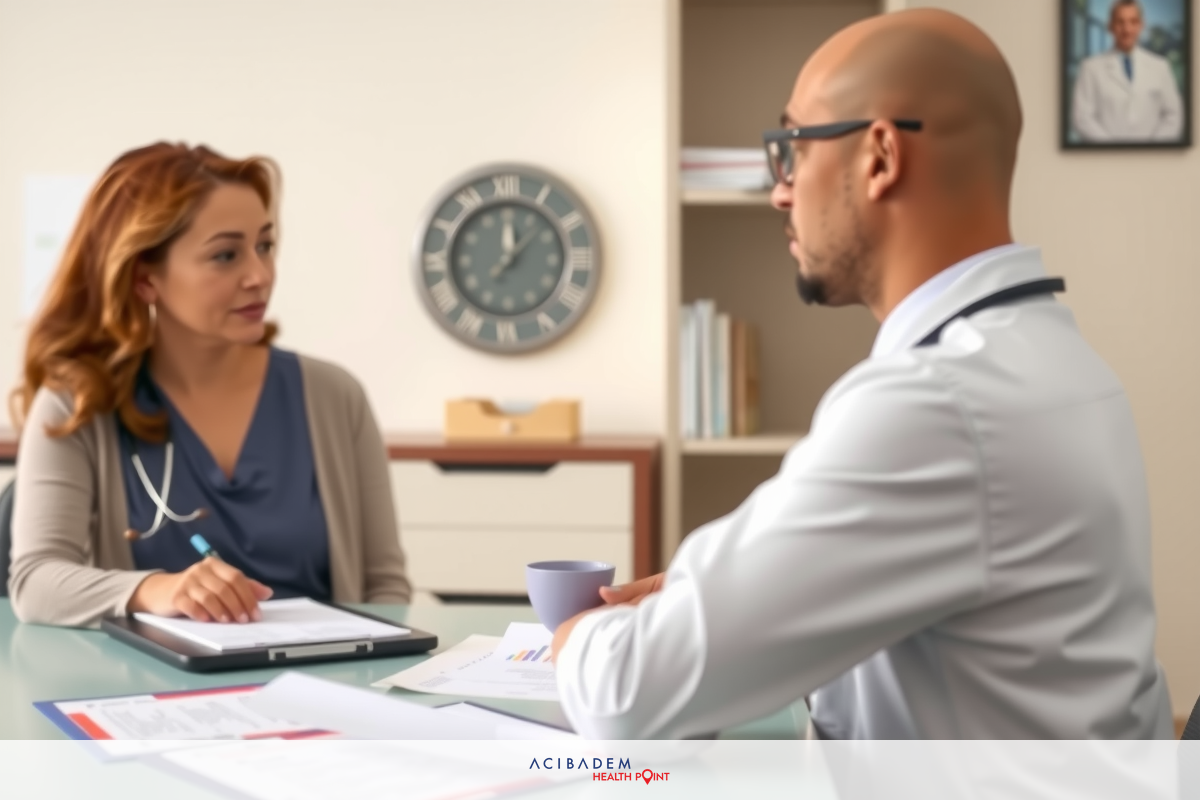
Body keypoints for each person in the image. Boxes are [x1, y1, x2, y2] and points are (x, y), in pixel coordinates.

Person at [551, 9, 1172, 739]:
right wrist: (717, 597)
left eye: (792, 148)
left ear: (880, 156)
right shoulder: (1060, 362)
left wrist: (574, 639)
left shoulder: (934, 405)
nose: (780, 191)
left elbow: (624, 695)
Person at [8, 143, 412, 628]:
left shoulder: (334, 397)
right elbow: (35, 583)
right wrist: (157, 589)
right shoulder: (78, 404)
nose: (260, 276)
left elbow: (385, 588)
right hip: (150, 676)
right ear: (145, 279)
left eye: (264, 246)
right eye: (225, 255)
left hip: (329, 671)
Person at [1071, 0, 1183, 142]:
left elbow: (1173, 116)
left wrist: (1151, 149)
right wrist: (1115, 150)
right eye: (1120, 22)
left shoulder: (1160, 67)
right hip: (1104, 155)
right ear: (1110, 26)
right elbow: (1082, 119)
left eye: (1133, 22)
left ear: (1141, 25)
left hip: (1153, 155)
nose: (1127, 29)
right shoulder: (1090, 68)